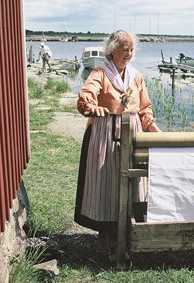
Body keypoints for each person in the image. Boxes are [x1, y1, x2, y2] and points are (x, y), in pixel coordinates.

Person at [74, 30, 161, 257]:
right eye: (125, 49)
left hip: (132, 134)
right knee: (106, 184)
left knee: (133, 183)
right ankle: (105, 238)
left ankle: (128, 233)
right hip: (105, 135)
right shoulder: (100, 73)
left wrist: (155, 132)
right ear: (112, 50)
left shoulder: (137, 76)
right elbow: (86, 94)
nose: (129, 54)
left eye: (132, 49)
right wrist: (91, 106)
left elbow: (144, 109)